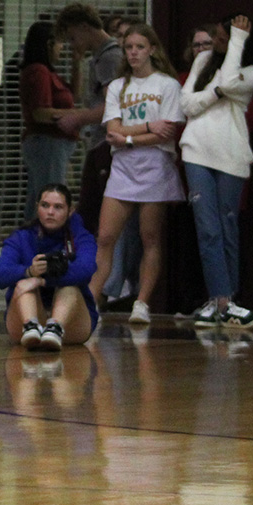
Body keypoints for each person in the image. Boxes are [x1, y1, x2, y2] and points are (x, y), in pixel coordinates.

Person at [88, 24, 185, 325]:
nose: (133, 53)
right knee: (105, 236)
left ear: (152, 49)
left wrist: (130, 138)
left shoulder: (167, 85)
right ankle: (92, 297)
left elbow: (165, 131)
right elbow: (112, 130)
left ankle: (142, 302)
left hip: (155, 165)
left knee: (149, 236)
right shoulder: (118, 86)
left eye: (139, 47)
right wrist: (145, 127)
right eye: (129, 47)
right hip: (123, 169)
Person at [181, 15, 253, 328]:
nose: (214, 42)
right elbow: (187, 105)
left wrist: (238, 41)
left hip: (231, 157)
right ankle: (220, 300)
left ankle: (228, 299)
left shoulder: (251, 72)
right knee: (207, 228)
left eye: (221, 37)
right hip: (196, 153)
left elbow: (229, 82)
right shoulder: (202, 61)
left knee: (227, 227)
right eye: (214, 36)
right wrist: (214, 93)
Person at [0, 183, 98, 351]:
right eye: (45, 205)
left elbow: (86, 270)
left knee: (69, 287)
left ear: (70, 211)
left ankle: (55, 327)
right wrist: (29, 272)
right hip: (25, 317)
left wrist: (43, 281)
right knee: (23, 286)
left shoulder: (81, 237)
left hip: (72, 322)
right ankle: (31, 327)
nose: (50, 212)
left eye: (58, 207)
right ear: (37, 207)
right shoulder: (21, 237)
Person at [53, 4, 125, 234]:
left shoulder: (109, 58)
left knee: (93, 211)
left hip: (106, 144)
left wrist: (78, 118)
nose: (73, 45)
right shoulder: (98, 58)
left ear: (84, 27)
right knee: (88, 209)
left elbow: (112, 108)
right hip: (98, 142)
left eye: (73, 38)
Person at [16, 20, 78, 220]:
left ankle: (34, 241)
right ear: (48, 44)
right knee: (51, 196)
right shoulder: (38, 71)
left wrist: (77, 62)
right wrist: (75, 117)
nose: (62, 48)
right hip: (47, 143)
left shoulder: (50, 73)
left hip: (53, 144)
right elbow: (40, 112)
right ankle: (44, 242)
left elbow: (73, 96)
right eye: (60, 43)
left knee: (39, 194)